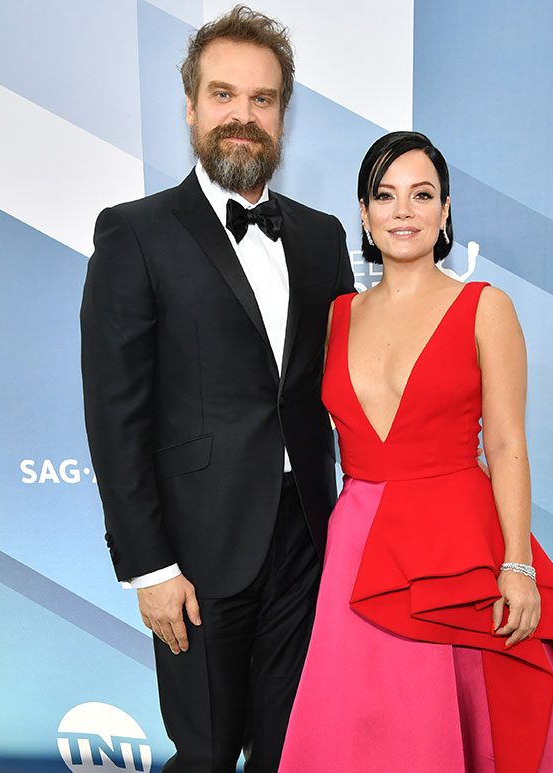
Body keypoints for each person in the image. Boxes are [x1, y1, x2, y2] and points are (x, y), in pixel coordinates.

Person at [80, 6, 354, 771]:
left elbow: (338, 388)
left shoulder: (322, 235)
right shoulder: (134, 232)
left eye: (261, 99)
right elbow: (115, 413)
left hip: (305, 539)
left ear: (283, 114)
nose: (243, 115)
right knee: (204, 752)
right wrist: (150, 566)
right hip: (196, 555)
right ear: (193, 107)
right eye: (224, 95)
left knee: (289, 750)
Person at [279, 131, 553, 773]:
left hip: (457, 544)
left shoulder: (485, 307)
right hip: (357, 545)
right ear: (365, 213)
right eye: (386, 195)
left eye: (421, 195)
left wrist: (518, 566)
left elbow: (508, 443)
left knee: (469, 724)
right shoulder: (336, 314)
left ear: (445, 211)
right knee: (361, 726)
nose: (403, 211)